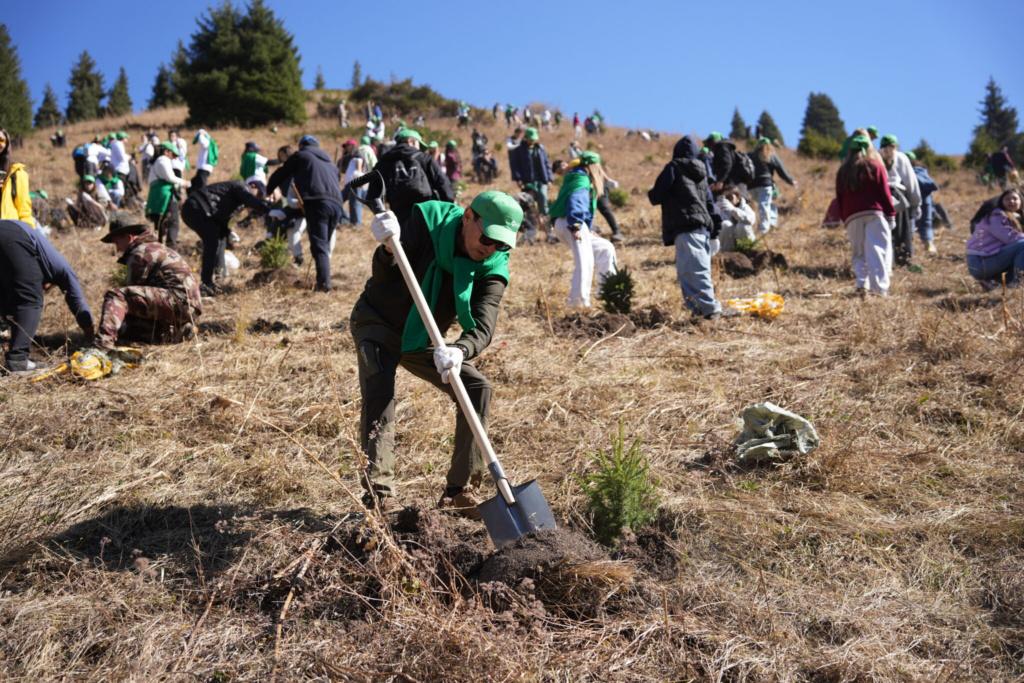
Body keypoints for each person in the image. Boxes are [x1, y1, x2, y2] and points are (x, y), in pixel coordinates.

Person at [350, 191, 522, 516]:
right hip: (377, 321)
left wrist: (460, 349)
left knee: (476, 387)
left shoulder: (493, 267)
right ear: (468, 217)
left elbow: (483, 326)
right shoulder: (429, 221)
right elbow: (383, 277)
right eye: (488, 237)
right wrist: (388, 249)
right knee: (381, 393)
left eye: (501, 244)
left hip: (422, 336)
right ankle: (380, 496)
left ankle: (459, 493)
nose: (490, 248)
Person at [648, 135, 732, 320]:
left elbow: (657, 195)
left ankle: (710, 310)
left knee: (693, 270)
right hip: (702, 229)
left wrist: (651, 192)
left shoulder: (673, 167)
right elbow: (710, 205)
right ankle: (700, 312)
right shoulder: (702, 174)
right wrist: (715, 233)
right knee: (691, 270)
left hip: (686, 225)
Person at [93, 214, 202, 351]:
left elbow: (130, 301)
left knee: (117, 296)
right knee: (129, 330)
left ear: (128, 237)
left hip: (178, 300)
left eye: (117, 242)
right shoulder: (153, 247)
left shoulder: (139, 253)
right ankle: (177, 333)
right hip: (187, 305)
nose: (117, 248)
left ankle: (102, 346)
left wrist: (117, 322)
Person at [0, 219, 94, 375]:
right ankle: (18, 360)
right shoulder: (62, 269)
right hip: (15, 235)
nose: (44, 289)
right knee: (30, 301)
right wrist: (90, 336)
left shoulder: (40, 260)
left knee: (5, 295)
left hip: (7, 229)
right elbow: (77, 302)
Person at [266, 135, 346, 292]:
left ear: (301, 146)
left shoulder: (301, 155)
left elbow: (281, 172)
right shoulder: (329, 161)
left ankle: (324, 286)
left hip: (318, 203)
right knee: (324, 244)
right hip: (337, 204)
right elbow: (337, 178)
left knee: (320, 246)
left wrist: (269, 190)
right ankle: (324, 280)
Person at [549, 154, 619, 308]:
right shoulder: (581, 179)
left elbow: (582, 206)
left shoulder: (581, 178)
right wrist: (576, 226)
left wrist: (589, 228)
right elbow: (576, 201)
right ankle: (578, 305)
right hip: (570, 222)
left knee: (605, 248)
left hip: (570, 221)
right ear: (594, 166)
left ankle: (607, 290)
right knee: (585, 262)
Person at [181, 178, 269, 294]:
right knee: (212, 242)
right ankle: (206, 284)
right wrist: (266, 209)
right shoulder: (241, 187)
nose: (258, 198)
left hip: (200, 211)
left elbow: (221, 217)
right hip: (196, 208)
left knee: (221, 239)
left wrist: (227, 232)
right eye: (259, 195)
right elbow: (247, 197)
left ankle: (220, 279)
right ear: (252, 186)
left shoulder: (239, 202)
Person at [835, 134, 896, 296]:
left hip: (852, 215)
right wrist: (891, 214)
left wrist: (844, 217)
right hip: (874, 213)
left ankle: (862, 284)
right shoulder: (875, 165)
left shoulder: (843, 170)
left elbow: (839, 197)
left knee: (859, 252)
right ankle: (879, 290)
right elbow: (885, 192)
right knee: (877, 250)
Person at [373, 129, 454, 226]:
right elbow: (443, 183)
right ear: (410, 141)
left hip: (399, 218)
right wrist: (447, 211)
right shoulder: (425, 158)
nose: (419, 149)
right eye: (419, 144)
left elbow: (373, 194)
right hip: (427, 214)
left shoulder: (384, 162)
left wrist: (382, 215)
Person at [965, 188, 1024, 290]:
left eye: (1015, 199)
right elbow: (1010, 238)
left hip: (990, 259)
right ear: (1001, 201)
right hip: (980, 263)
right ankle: (1018, 285)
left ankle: (996, 282)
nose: (1011, 201)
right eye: (1007, 199)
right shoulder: (997, 216)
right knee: (1022, 245)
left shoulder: (1015, 216)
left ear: (1021, 201)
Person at [879, 134, 922, 266]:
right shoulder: (901, 157)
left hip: (880, 195)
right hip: (898, 197)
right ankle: (903, 261)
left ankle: (884, 263)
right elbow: (911, 182)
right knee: (901, 232)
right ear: (896, 145)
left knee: (882, 231)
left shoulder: (875, 156)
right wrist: (916, 205)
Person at [747, 137, 796, 235]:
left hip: (751, 186)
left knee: (768, 203)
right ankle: (763, 230)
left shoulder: (750, 155)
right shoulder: (771, 155)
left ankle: (772, 222)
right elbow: (781, 170)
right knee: (764, 205)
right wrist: (791, 181)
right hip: (765, 184)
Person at [146, 141, 190, 250]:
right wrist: (183, 182)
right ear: (166, 151)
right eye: (173, 154)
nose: (174, 158)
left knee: (159, 222)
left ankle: (158, 247)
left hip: (156, 193)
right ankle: (171, 248)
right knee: (173, 221)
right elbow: (169, 177)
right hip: (164, 194)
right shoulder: (163, 160)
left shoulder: (156, 161)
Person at [510, 127, 553, 218]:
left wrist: (549, 179)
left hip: (541, 180)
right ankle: (531, 222)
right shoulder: (519, 150)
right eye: (531, 139)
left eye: (534, 139)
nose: (533, 141)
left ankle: (545, 219)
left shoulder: (540, 149)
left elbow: (547, 164)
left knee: (543, 197)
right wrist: (518, 179)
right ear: (526, 137)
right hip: (527, 181)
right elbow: (515, 166)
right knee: (529, 201)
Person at [906, 152, 940, 253]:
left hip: (912, 198)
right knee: (926, 222)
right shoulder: (922, 170)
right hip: (926, 199)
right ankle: (929, 244)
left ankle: (910, 244)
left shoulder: (907, 170)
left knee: (911, 221)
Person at [0, 128, 35, 227]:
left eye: (1, 140)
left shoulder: (17, 174)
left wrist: (29, 231)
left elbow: (24, 211)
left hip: (7, 230)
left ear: (7, 144)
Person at [715, 185, 757, 252]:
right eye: (724, 197)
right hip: (728, 243)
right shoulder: (722, 208)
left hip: (744, 241)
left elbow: (751, 220)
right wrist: (716, 209)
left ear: (738, 197)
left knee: (741, 226)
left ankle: (747, 250)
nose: (727, 200)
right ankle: (727, 253)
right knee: (726, 224)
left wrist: (733, 210)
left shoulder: (744, 207)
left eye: (730, 197)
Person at [339, 139, 366, 226]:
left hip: (356, 181)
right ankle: (346, 219)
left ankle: (356, 224)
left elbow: (359, 167)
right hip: (348, 183)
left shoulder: (358, 153)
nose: (346, 148)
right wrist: (343, 155)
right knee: (338, 200)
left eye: (348, 146)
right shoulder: (348, 157)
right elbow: (341, 170)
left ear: (352, 146)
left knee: (355, 203)